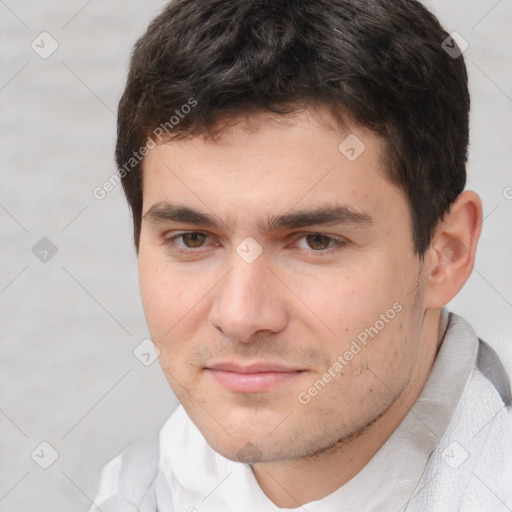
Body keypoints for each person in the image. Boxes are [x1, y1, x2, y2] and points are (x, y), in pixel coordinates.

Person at [90, 0, 512, 510]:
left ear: (446, 253)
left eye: (316, 241)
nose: (241, 316)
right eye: (193, 239)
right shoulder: (131, 490)